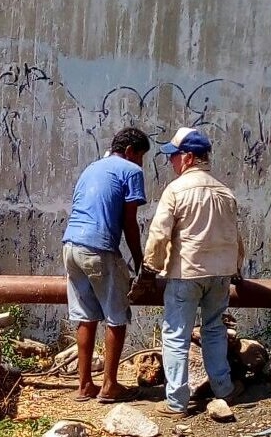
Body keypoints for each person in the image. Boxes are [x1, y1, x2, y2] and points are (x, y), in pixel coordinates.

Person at [139, 126, 246, 419]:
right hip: (221, 274)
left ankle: (176, 403)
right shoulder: (225, 192)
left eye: (174, 156)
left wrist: (151, 267)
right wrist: (236, 266)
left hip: (187, 273)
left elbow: (159, 234)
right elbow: (235, 236)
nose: (171, 162)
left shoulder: (176, 190)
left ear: (187, 157)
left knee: (175, 334)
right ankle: (224, 388)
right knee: (214, 329)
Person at [60, 127, 150, 404]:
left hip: (71, 245)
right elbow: (129, 222)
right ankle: (109, 385)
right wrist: (140, 261)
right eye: (141, 156)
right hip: (99, 247)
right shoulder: (130, 170)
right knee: (116, 317)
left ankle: (84, 385)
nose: (141, 163)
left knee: (85, 316)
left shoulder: (91, 168)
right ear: (131, 151)